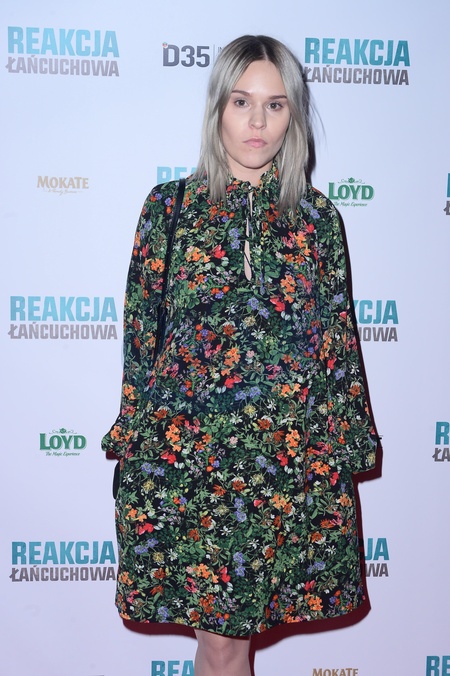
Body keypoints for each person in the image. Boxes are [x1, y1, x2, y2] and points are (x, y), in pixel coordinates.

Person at [102, 34, 380, 676]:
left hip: (285, 464)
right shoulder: (169, 210)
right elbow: (141, 340)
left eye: (275, 105)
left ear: (293, 116)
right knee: (222, 645)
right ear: (217, 109)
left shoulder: (318, 221)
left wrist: (350, 447)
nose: (258, 122)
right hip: (190, 465)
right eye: (241, 102)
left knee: (231, 645)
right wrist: (133, 436)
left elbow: (338, 341)